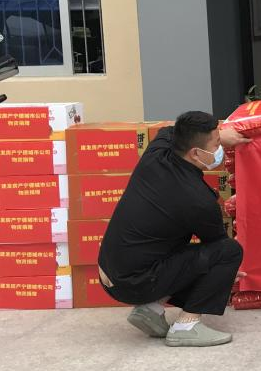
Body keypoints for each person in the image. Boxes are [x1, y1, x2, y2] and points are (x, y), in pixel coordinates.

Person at [97, 111, 248, 347]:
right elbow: (218, 246)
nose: (220, 148)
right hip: (136, 284)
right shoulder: (198, 200)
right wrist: (224, 272)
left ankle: (151, 309)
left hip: (108, 273)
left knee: (175, 247)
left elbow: (167, 131)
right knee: (229, 252)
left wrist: (221, 135)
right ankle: (186, 326)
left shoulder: (156, 154)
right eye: (217, 144)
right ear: (195, 153)